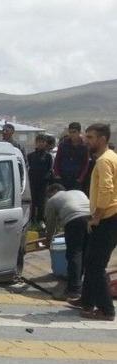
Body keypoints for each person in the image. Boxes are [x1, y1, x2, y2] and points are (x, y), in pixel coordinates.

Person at [69, 123, 116, 321]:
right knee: (90, 260)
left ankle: (106, 309)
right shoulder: (112, 157)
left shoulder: (104, 161)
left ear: (102, 139)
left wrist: (97, 216)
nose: (86, 140)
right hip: (109, 216)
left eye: (90, 137)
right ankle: (87, 300)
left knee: (96, 265)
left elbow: (106, 190)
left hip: (107, 218)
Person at [43, 184, 89, 301]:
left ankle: (73, 290)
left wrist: (49, 240)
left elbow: (51, 223)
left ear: (54, 191)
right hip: (92, 219)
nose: (48, 197)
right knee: (84, 252)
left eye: (48, 195)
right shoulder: (79, 192)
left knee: (74, 254)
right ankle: (80, 284)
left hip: (74, 221)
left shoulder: (52, 200)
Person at [53, 122, 90, 192]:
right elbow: (57, 160)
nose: (72, 134)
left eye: (74, 132)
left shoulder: (84, 146)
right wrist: (57, 174)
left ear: (79, 132)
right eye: (70, 132)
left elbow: (86, 163)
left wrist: (80, 178)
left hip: (76, 178)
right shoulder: (63, 145)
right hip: (63, 177)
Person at [27, 134, 54, 224]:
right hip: (32, 182)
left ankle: (40, 219)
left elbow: (50, 169)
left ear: (45, 143)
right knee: (32, 201)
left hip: (43, 183)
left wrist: (46, 178)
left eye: (43, 142)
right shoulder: (30, 156)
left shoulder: (48, 156)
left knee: (42, 201)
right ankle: (32, 219)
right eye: (39, 142)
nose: (41, 144)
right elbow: (28, 168)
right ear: (36, 143)